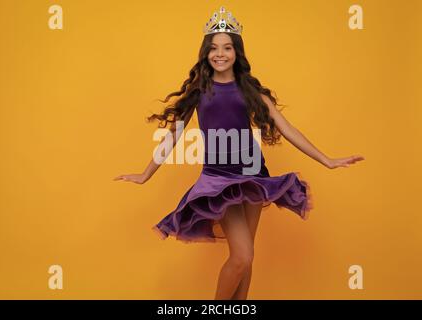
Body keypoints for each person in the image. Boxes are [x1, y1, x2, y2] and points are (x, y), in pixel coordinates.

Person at [114, 6, 365, 300]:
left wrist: (328, 160)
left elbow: (287, 128)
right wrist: (145, 174)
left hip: (253, 175)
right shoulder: (198, 91)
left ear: (237, 52)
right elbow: (173, 136)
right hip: (219, 181)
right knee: (242, 256)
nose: (220, 54)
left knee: (249, 258)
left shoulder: (250, 90)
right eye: (214, 48)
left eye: (227, 47)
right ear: (205, 53)